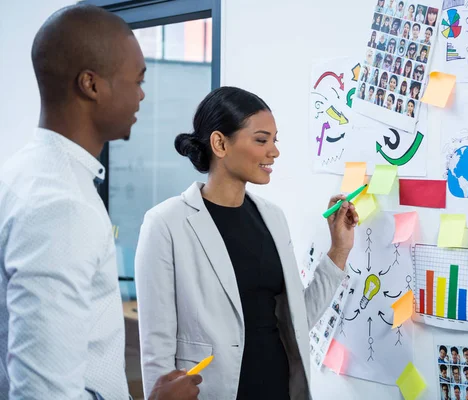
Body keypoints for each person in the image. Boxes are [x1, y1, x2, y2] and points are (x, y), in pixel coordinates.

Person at [0, 4, 201, 399]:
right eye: (137, 80)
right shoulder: (60, 205)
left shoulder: (25, 173)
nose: (143, 94)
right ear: (91, 85)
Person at [135, 87, 359, 399]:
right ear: (220, 143)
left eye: (274, 140)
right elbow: (155, 350)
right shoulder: (165, 224)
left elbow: (297, 320)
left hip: (277, 387)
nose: (274, 151)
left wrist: (339, 249)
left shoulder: (273, 218)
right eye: (261, 139)